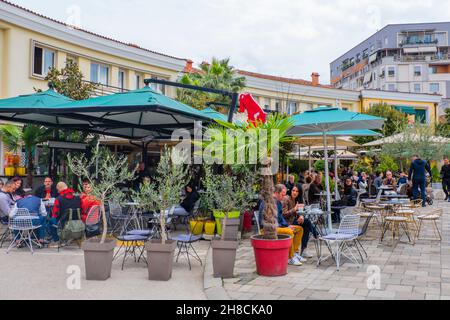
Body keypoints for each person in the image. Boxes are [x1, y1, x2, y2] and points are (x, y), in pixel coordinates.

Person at [260, 184, 304, 266]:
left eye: (284, 194)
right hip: (268, 229)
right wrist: (287, 228)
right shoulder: (269, 202)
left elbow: (280, 218)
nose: (284, 197)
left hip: (277, 226)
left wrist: (287, 226)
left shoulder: (278, 202)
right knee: (290, 232)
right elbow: (270, 221)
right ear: (276, 193)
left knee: (299, 229)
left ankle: (294, 253)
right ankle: (290, 258)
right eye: (282, 194)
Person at [282, 186, 318, 261]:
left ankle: (303, 250)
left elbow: (299, 213)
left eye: (297, 191)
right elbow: (284, 214)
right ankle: (317, 235)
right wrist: (294, 209)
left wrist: (301, 216)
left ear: (299, 193)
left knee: (305, 226)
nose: (294, 192)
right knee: (307, 222)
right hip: (287, 223)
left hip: (295, 220)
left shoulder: (297, 200)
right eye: (293, 190)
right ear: (291, 191)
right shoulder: (286, 199)